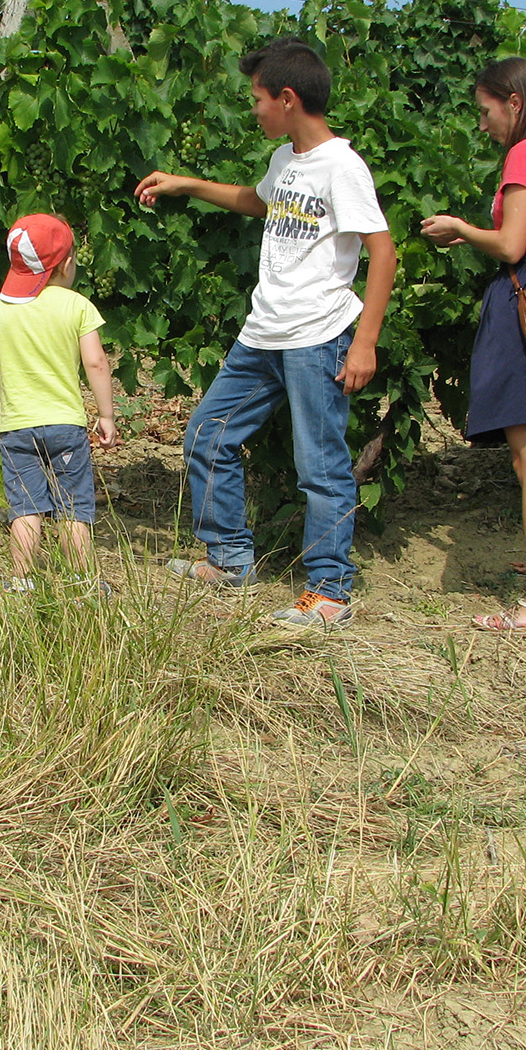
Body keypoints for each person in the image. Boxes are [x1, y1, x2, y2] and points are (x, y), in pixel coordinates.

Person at [134, 37, 396, 629]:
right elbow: (258, 201)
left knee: (320, 465)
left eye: (256, 98)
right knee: (208, 433)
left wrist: (364, 341)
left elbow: (384, 252)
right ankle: (229, 561)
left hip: (318, 334)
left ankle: (329, 594)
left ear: (286, 98)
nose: (252, 109)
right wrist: (187, 184)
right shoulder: (286, 161)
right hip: (265, 332)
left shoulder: (342, 166)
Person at [420, 56, 526, 631]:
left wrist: (461, 229)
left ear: (513, 103)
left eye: (486, 110)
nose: (483, 123)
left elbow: (513, 245)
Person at [0, 213, 119, 593]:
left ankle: (21, 582)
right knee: (73, 508)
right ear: (67, 263)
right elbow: (96, 362)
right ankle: (84, 583)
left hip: (17, 428)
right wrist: (105, 414)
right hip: (66, 427)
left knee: (25, 508)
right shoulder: (76, 306)